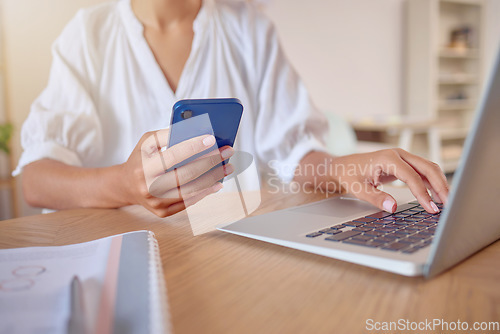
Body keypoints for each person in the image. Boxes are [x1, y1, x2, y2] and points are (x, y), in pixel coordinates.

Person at [15, 0, 449, 218]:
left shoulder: (248, 27)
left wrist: (341, 167)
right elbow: (36, 179)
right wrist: (124, 185)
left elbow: (291, 154)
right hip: (122, 256)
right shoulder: (87, 36)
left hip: (231, 251)